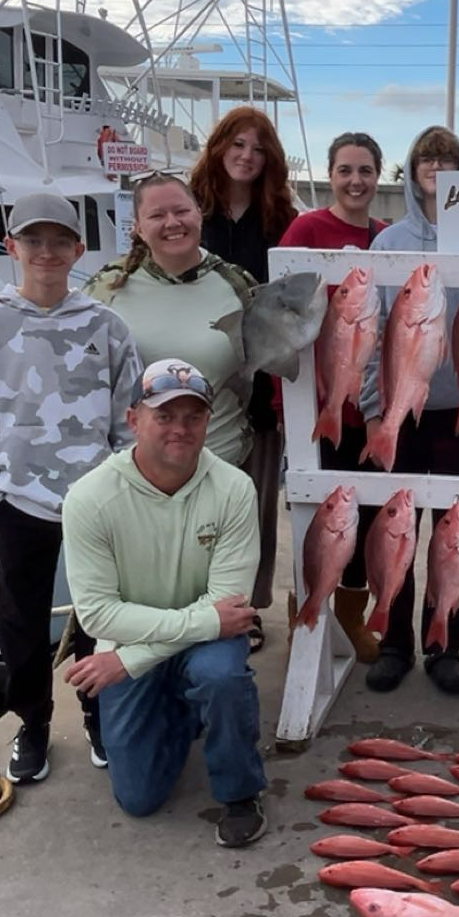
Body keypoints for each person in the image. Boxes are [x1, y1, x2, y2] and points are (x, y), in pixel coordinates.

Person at [0, 190, 142, 784]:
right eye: (33, 240)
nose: (47, 251)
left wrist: (119, 485)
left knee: (97, 619)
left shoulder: (107, 326)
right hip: (20, 501)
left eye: (60, 240)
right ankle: (30, 725)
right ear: (11, 247)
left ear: (79, 250)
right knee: (22, 625)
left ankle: (97, 715)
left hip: (93, 502)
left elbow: (127, 417)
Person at [62, 358, 267, 849]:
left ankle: (241, 792)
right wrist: (198, 625)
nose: (180, 428)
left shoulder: (235, 489)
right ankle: (187, 711)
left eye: (193, 416)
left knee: (221, 675)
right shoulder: (89, 498)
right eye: (164, 415)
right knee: (138, 797)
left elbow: (228, 605)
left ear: (207, 422)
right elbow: (97, 615)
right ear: (133, 420)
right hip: (158, 633)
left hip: (179, 645)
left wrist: (127, 660)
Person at [360, 125, 459, 698]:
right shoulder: (388, 242)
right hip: (397, 410)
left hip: (458, 415)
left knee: (454, 539)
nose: (436, 165)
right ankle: (393, 643)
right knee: (392, 534)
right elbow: (368, 336)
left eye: (446, 157)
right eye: (426, 157)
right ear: (411, 167)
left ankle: (447, 648)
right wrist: (373, 412)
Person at [87, 173, 260, 626]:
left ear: (199, 214)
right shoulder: (107, 289)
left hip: (219, 466)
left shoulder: (237, 284)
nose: (172, 223)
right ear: (138, 226)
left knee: (213, 609)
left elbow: (266, 365)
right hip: (134, 474)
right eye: (157, 215)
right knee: (143, 599)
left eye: (181, 210)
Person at [190, 106, 300, 621]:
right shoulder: (189, 213)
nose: (247, 156)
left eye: (258, 149)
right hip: (199, 380)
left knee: (254, 502)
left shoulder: (283, 221)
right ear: (219, 147)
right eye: (238, 144)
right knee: (197, 501)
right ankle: (196, 602)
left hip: (261, 382)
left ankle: (247, 608)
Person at [280, 131, 386, 660]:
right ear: (330, 175)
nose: (355, 181)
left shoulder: (388, 238)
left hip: (370, 408)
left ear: (378, 177)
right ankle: (306, 610)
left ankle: (350, 617)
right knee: (319, 516)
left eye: (365, 170)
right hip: (321, 403)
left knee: (365, 517)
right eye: (345, 170)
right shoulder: (306, 229)